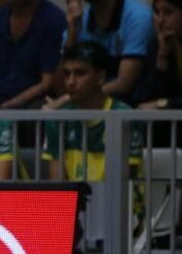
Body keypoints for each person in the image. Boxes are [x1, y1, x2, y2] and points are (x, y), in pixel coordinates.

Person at [43, 39, 146, 181]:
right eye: (66, 74)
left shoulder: (125, 117)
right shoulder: (57, 121)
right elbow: (58, 184)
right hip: (77, 195)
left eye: (80, 73)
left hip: (116, 194)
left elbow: (122, 183)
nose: (71, 82)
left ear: (101, 77)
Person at [65, 0, 155, 99]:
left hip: (127, 105)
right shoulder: (80, 19)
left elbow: (125, 83)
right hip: (88, 103)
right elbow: (61, 82)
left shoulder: (138, 17)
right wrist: (71, 39)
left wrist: (67, 99)